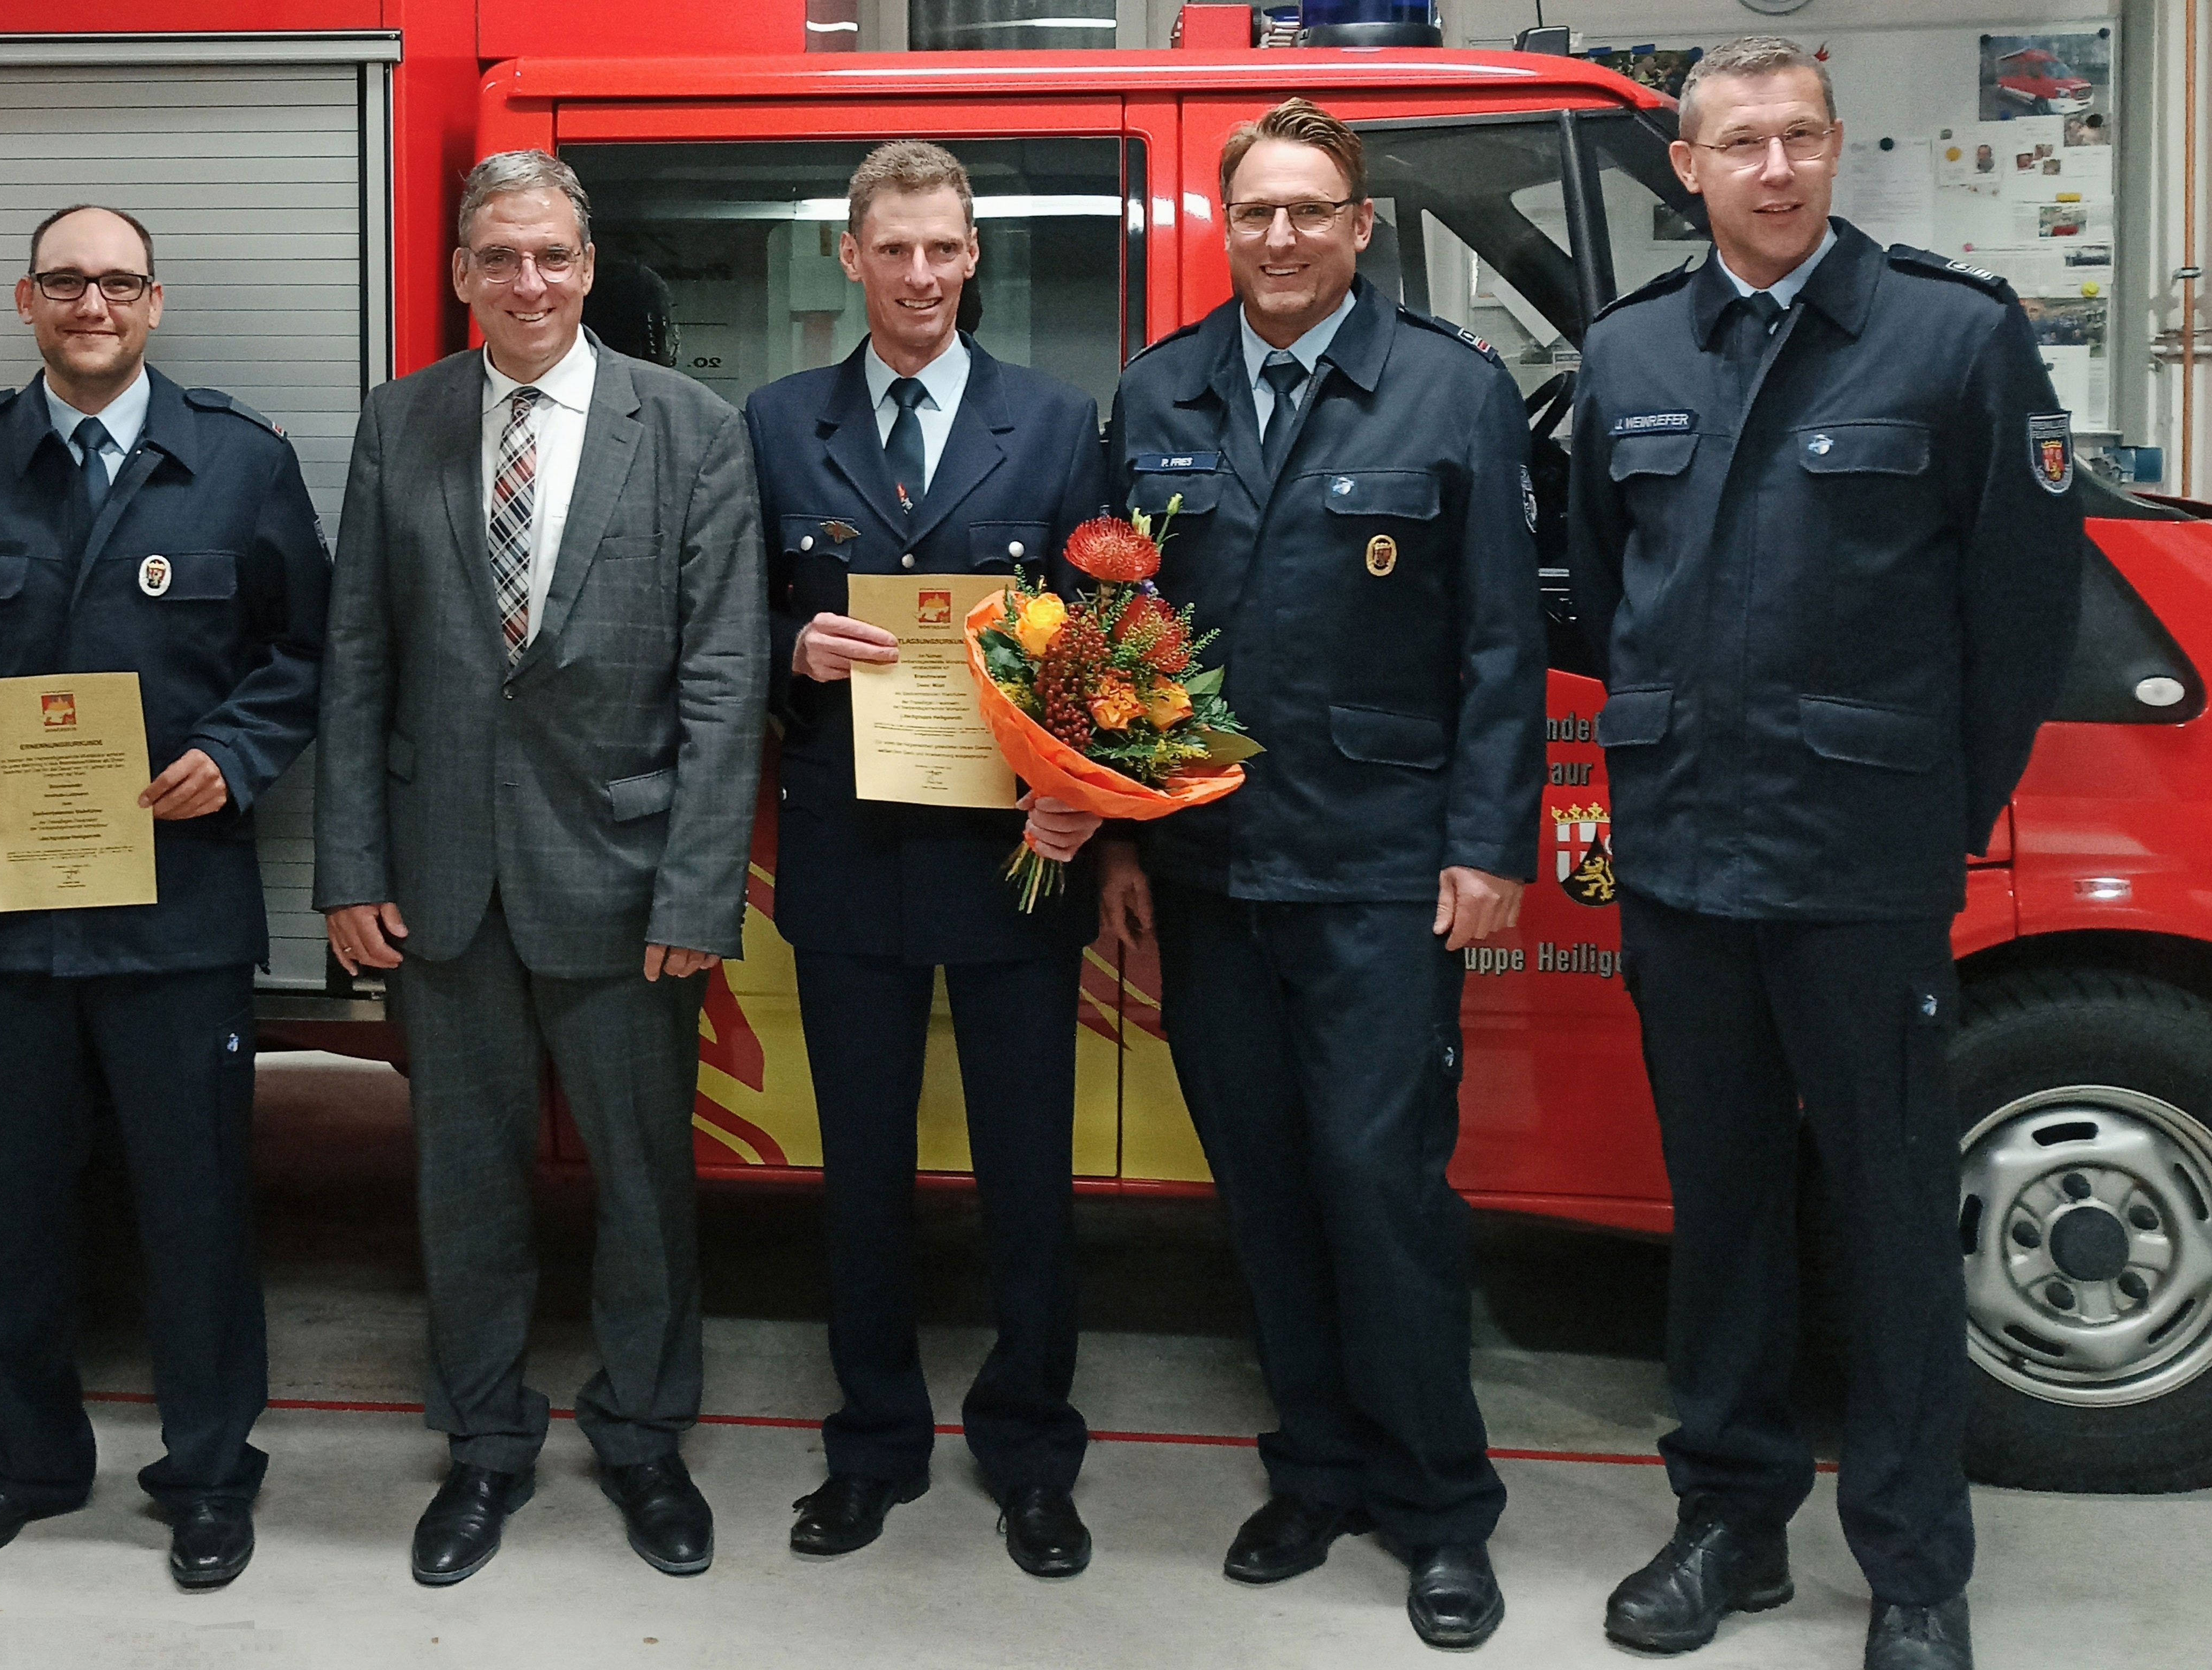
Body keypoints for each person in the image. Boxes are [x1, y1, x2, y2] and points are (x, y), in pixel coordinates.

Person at [1566, 38, 2084, 1670]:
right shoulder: (1628, 350)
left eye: (1800, 136)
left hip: (1864, 865)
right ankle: (1731, 1524)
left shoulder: (1952, 337)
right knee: (1720, 1213)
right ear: (1688, 169)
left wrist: (1932, 815)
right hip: (1682, 863)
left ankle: (1916, 1568)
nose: (1776, 168)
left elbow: (2020, 615)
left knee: (1889, 1211)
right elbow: (1607, 585)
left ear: (1838, 146)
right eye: (1742, 143)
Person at [1098, 97, 1543, 1649]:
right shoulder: (1158, 392)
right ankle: (1315, 1469)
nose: (1280, 237)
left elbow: (1500, 642)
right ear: (1225, 227)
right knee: (1265, 1184)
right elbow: (1127, 643)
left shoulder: (1450, 391)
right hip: (1210, 868)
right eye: (1257, 212)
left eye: (1310, 211)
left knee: (1381, 1183)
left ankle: (1438, 1504)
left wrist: (1487, 841)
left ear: (1360, 227)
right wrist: (1127, 836)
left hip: (1379, 868)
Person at [0, 204, 329, 1591]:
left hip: (178, 911)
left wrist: (233, 753)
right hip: (2, 913)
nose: (92, 305)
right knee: (6, 1210)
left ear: (155, 302)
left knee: (196, 1208)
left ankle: (209, 1473)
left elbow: (308, 648)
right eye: (65, 281)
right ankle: (25, 1464)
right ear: (26, 301)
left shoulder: (240, 459)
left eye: (118, 282)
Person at [314, 150, 766, 1586]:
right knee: (464, 1187)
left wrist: (697, 890)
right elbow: (357, 655)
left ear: (588, 268)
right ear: (461, 273)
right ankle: (485, 1443)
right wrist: (349, 867)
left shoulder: (691, 430)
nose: (528, 282)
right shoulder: (400, 422)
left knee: (646, 1188)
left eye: (552, 257)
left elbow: (725, 679)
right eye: (499, 257)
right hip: (443, 881)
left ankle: (644, 1438)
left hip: (629, 886)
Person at [744, 139, 1107, 1576]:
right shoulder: (779, 423)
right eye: (891, 248)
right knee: (862, 1174)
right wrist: (792, 648)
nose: (917, 274)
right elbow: (727, 620)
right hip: (849, 854)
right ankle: (875, 1443)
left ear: (973, 256)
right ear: (850, 257)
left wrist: (1080, 793)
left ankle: (1031, 1452)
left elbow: (1101, 642)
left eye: (941, 247)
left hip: (1016, 853)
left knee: (1029, 1175)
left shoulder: (1057, 421)